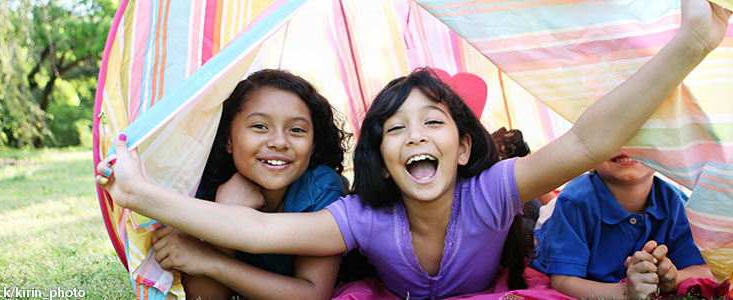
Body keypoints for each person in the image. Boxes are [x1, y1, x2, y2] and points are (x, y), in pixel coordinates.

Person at [96, 2, 730, 299]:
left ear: (461, 147)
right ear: (380, 158)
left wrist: (691, 44)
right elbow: (259, 233)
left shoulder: (491, 191)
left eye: (434, 121)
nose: (416, 135)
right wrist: (144, 194)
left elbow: (589, 138)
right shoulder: (364, 218)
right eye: (395, 129)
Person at [111, 69, 348, 300]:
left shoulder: (321, 189)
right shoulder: (203, 184)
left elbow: (313, 294)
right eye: (260, 126)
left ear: (313, 144)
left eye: (296, 130)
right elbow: (206, 297)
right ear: (228, 139)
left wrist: (209, 259)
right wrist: (224, 211)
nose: (279, 142)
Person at [532, 152, 713, 299]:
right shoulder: (574, 202)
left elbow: (705, 270)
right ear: (588, 157)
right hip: (548, 228)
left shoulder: (677, 204)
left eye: (640, 136)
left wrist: (670, 280)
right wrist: (627, 293)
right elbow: (563, 281)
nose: (627, 145)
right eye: (615, 135)